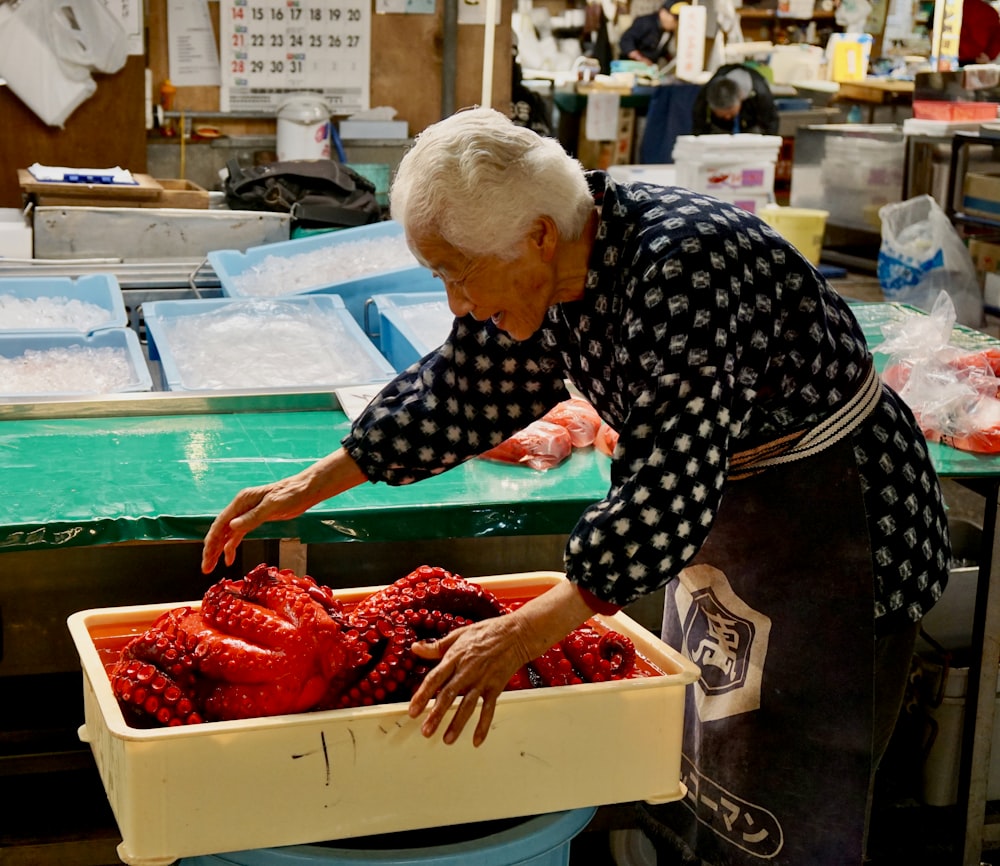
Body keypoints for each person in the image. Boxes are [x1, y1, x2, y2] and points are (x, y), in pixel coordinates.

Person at [202, 107, 951, 865]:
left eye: (458, 275)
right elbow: (467, 385)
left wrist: (520, 633)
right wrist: (314, 482)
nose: (457, 304)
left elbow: (666, 478)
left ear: (537, 235)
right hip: (732, 514)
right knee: (714, 759)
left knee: (789, 775)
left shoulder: (679, 268)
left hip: (839, 523)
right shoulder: (560, 257)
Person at [692, 62, 779, 134]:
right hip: (718, 125)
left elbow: (771, 123)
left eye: (730, 112)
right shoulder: (709, 89)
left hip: (752, 121)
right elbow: (699, 117)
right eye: (722, 113)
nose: (727, 117)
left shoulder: (761, 92)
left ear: (740, 97)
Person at [618, 0, 686, 67]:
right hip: (630, 66)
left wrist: (671, 61)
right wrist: (640, 58)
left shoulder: (668, 32)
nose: (677, 22)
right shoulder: (646, 22)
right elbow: (626, 40)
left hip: (649, 69)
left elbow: (660, 49)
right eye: (675, 17)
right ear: (663, 13)